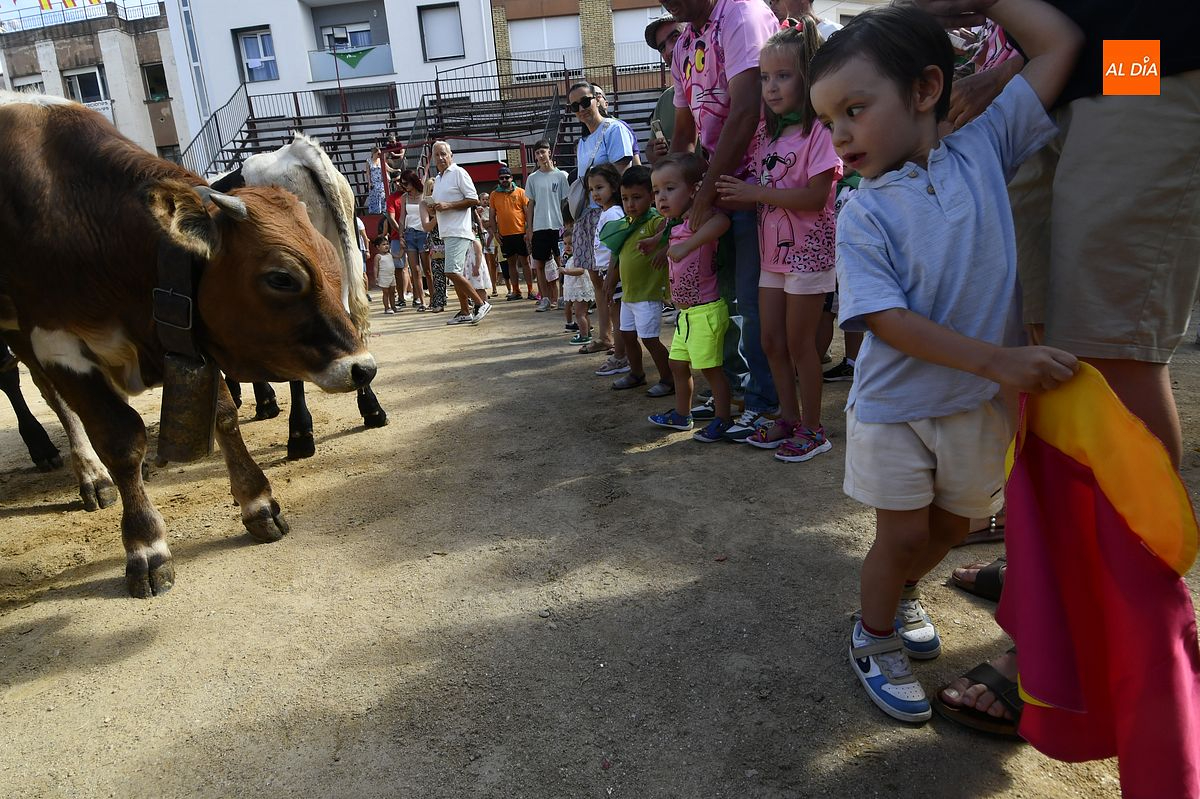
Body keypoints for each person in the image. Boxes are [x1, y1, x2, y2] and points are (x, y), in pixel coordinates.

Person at [914, 0, 1199, 736]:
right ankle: (1054, 576)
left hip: (1156, 59)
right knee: (1034, 338)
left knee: (1109, 351)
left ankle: (1092, 629)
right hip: (1074, 72)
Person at [806, 2, 1081, 722]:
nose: (839, 135)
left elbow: (1064, 46)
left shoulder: (986, 146)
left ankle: (898, 589)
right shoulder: (862, 209)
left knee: (954, 528)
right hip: (897, 408)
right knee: (899, 532)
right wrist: (1000, 360)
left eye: (855, 109)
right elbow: (887, 321)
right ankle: (873, 634)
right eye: (829, 119)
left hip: (975, 406)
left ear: (926, 90)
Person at [716, 18, 840, 463]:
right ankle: (787, 417)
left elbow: (816, 196)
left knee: (799, 344)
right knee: (770, 341)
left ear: (807, 77)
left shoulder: (819, 132)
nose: (770, 87)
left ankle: (813, 427)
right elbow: (759, 187)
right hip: (774, 257)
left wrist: (755, 194)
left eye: (783, 76)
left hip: (808, 254)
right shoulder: (768, 136)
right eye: (765, 77)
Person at [667, 0, 779, 442]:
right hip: (716, 189)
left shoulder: (741, 14)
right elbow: (684, 131)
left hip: (758, 184)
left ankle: (762, 402)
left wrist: (706, 191)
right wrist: (673, 187)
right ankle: (728, 395)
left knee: (750, 303)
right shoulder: (685, 42)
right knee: (722, 301)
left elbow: (748, 109)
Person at [645, 153, 735, 443]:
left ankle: (723, 419)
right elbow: (671, 239)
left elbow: (722, 222)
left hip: (705, 310)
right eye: (657, 191)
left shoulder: (700, 218)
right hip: (685, 314)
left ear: (694, 189)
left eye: (670, 189)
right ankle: (682, 415)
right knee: (677, 364)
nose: (661, 197)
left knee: (711, 369)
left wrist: (689, 246)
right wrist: (656, 243)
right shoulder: (677, 223)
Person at [601, 166, 672, 395]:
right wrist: (611, 279)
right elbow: (618, 254)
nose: (630, 204)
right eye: (625, 198)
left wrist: (665, 247)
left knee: (650, 339)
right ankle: (636, 373)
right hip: (629, 293)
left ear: (651, 196)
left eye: (637, 197)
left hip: (648, 293)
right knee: (628, 336)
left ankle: (669, 379)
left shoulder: (656, 220)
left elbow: (674, 233)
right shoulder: (628, 223)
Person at [427, 141, 492, 326]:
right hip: (447, 231)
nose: (440, 158)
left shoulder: (459, 173)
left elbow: (473, 200)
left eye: (443, 154)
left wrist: (448, 206)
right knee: (455, 272)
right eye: (437, 155)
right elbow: (443, 205)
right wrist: (435, 209)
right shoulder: (438, 179)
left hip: (459, 230)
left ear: (451, 155)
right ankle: (464, 311)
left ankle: (480, 303)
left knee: (451, 271)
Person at [585, 164, 628, 369]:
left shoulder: (614, 214)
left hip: (615, 273)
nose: (595, 194)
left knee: (618, 316)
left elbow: (617, 250)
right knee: (616, 314)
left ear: (613, 186)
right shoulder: (608, 212)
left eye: (599, 188)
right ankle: (622, 353)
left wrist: (611, 276)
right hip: (609, 272)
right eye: (592, 189)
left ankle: (621, 356)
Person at [524, 140, 568, 313]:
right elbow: (531, 204)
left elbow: (565, 202)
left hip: (558, 226)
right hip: (540, 226)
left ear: (549, 152)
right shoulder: (532, 179)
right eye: (537, 153)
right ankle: (546, 299)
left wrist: (567, 224)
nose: (541, 156)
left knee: (561, 263)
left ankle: (563, 297)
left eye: (543, 151)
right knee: (540, 265)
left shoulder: (561, 176)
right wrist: (529, 228)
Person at [643, 16, 685, 164]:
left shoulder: (720, 86)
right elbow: (649, 148)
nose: (670, 49)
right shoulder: (666, 99)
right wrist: (657, 154)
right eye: (662, 47)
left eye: (675, 36)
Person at [489, 166, 532, 300]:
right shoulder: (494, 194)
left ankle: (530, 290)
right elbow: (491, 215)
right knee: (511, 263)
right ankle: (516, 291)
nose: (504, 180)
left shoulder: (521, 192)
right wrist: (495, 232)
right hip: (504, 234)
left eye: (507, 177)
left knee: (525, 262)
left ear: (511, 178)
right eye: (501, 178)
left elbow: (527, 212)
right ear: (498, 180)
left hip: (520, 232)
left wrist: (528, 229)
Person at [396, 170, 430, 311]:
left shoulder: (424, 195)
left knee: (427, 270)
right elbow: (402, 218)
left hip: (423, 233)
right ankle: (422, 302)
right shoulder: (404, 197)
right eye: (402, 183)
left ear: (413, 181)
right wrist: (401, 236)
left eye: (406, 183)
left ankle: (434, 299)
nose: (404, 186)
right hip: (409, 234)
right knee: (415, 270)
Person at [560, 228, 595, 346]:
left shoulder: (579, 256)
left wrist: (566, 271)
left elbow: (581, 270)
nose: (567, 246)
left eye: (571, 243)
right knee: (583, 313)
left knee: (580, 314)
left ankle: (584, 335)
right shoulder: (570, 257)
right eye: (565, 244)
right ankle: (587, 332)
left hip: (581, 290)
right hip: (577, 290)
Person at [384, 177, 411, 308]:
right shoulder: (392, 198)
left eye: (402, 180)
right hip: (396, 237)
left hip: (413, 234)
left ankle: (417, 297)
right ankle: (401, 298)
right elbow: (391, 217)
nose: (400, 183)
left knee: (415, 268)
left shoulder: (413, 195)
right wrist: (401, 233)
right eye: (397, 181)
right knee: (399, 269)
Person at [476, 192, 500, 297]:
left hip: (491, 237)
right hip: (482, 238)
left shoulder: (491, 209)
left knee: (493, 263)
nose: (485, 201)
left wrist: (490, 223)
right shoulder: (477, 210)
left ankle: (494, 287)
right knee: (483, 264)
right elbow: (483, 223)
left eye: (487, 199)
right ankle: (484, 288)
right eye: (483, 199)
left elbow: (494, 222)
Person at [372, 234, 398, 314]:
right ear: (378, 247)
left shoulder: (390, 254)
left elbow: (399, 256)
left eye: (387, 244)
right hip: (383, 277)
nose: (386, 246)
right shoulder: (378, 256)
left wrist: (403, 249)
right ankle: (387, 308)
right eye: (383, 244)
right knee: (386, 293)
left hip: (392, 276)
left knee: (392, 292)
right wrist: (376, 277)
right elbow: (376, 267)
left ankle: (393, 307)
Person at [365, 146, 390, 215]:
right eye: (378, 153)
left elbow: (387, 168)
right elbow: (368, 173)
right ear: (374, 153)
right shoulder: (368, 161)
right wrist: (369, 183)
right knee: (375, 197)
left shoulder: (381, 160)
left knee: (383, 196)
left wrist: (395, 170)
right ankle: (376, 213)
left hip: (381, 182)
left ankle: (383, 211)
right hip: (374, 182)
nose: (379, 155)